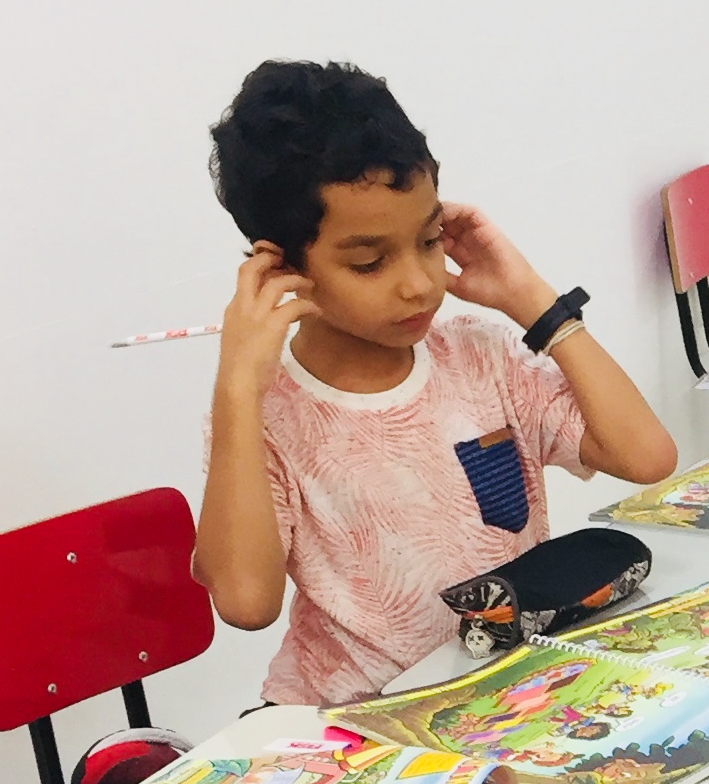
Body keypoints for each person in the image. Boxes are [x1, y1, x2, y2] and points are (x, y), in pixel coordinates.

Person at [192, 61, 677, 705]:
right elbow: (247, 601)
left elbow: (647, 457)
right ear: (280, 268)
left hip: (501, 694)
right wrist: (237, 390)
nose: (419, 283)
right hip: (358, 722)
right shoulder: (268, 414)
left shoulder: (481, 355)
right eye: (370, 262)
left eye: (428, 241)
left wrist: (538, 305)